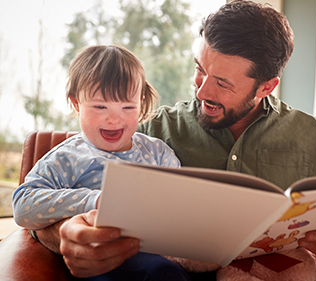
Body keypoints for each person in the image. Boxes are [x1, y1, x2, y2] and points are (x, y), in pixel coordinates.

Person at [32, 1, 316, 280]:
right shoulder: (149, 132)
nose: (201, 90)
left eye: (222, 83)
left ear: (266, 86)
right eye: (200, 70)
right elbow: (50, 195)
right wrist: (62, 233)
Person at [12, 45, 190, 280]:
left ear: (141, 102)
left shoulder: (157, 152)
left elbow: (181, 202)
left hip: (159, 255)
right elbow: (24, 205)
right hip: (99, 259)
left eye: (128, 107)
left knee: (169, 272)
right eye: (100, 106)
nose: (114, 118)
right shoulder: (69, 156)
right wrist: (95, 201)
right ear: (76, 104)